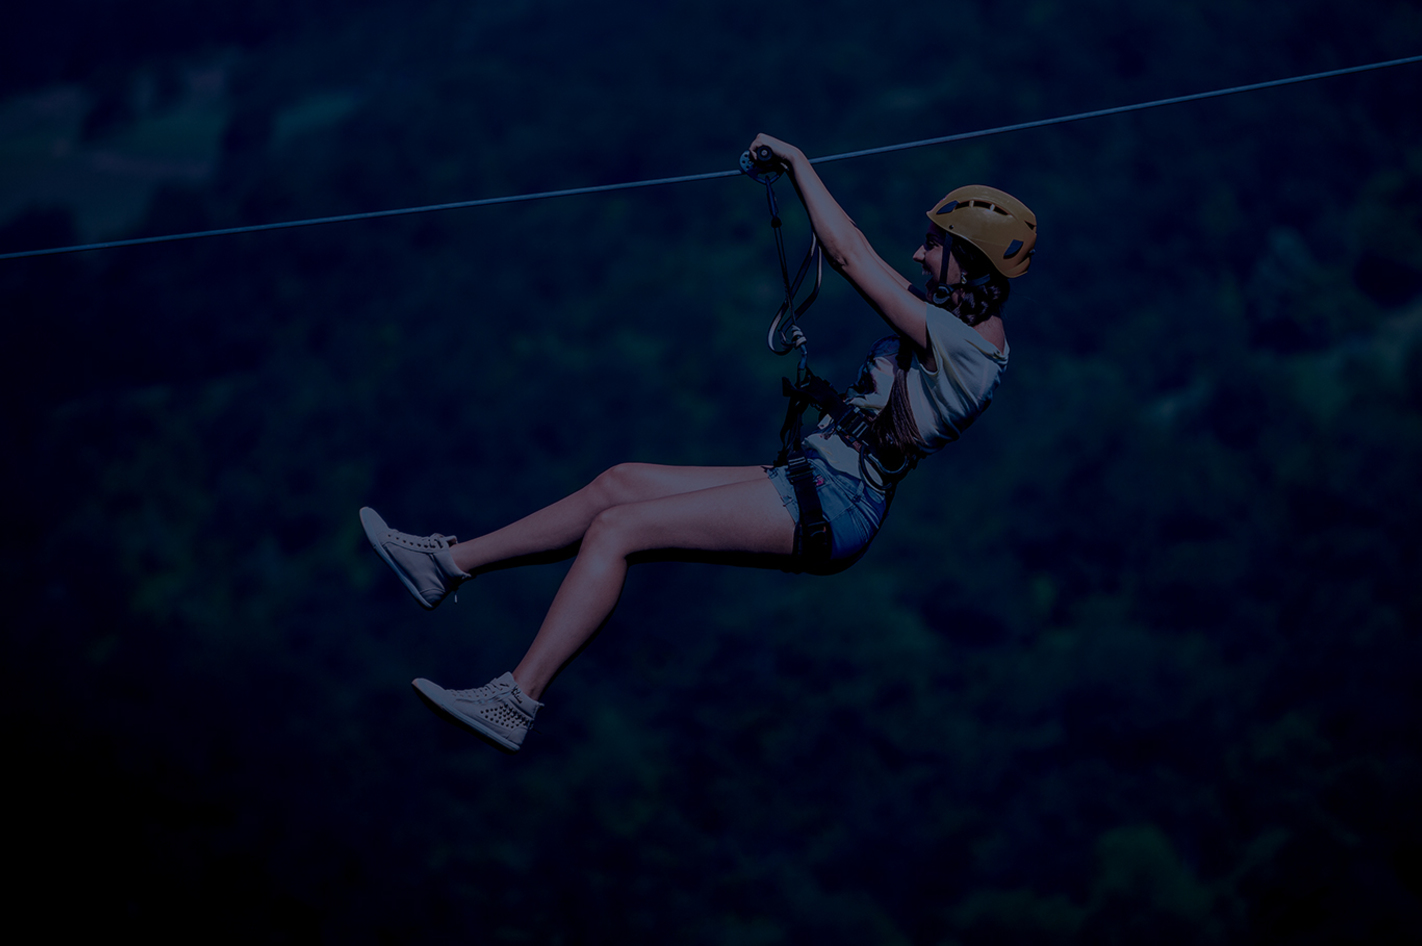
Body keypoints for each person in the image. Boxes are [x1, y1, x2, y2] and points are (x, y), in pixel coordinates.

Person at [360, 133, 1037, 752]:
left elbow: (847, 255)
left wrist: (798, 161)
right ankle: (447, 566)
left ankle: (516, 700)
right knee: (618, 483)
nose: (918, 252)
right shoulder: (950, 317)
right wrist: (802, 173)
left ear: (967, 261)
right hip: (819, 480)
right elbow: (857, 242)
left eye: (932, 243)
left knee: (618, 529)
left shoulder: (968, 348)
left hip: (837, 501)